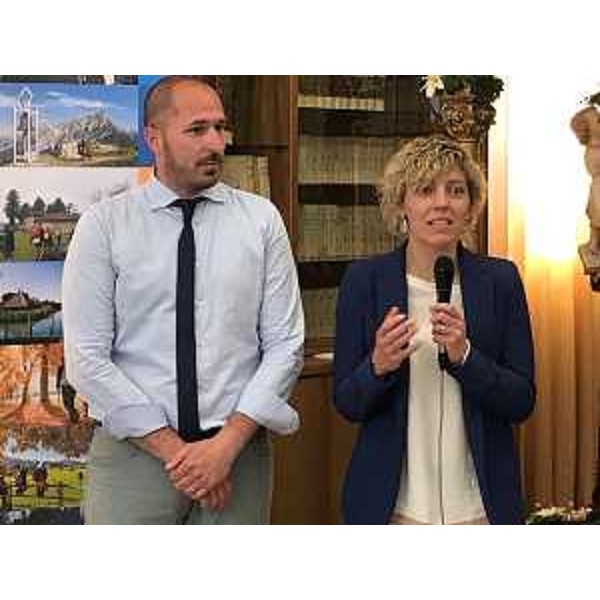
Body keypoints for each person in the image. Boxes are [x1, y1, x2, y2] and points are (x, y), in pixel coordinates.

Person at [62, 75, 304, 524]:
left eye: (220, 127)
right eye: (197, 130)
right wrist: (180, 455)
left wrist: (224, 448)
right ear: (153, 138)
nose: (215, 142)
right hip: (134, 460)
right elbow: (86, 358)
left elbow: (286, 345)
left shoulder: (261, 221)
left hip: (238, 456)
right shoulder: (105, 225)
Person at [333, 135, 535, 524]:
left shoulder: (501, 280)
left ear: (471, 205)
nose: (442, 203)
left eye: (456, 190)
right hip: (394, 509)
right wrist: (377, 365)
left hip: (480, 509)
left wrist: (466, 357)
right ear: (401, 204)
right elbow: (347, 403)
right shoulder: (365, 281)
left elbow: (522, 400)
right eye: (426, 190)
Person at [571, 105, 600, 254]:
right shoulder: (593, 150)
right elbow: (593, 169)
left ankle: (594, 242)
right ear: (587, 129)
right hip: (598, 189)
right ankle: (594, 244)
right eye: (598, 121)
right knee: (596, 218)